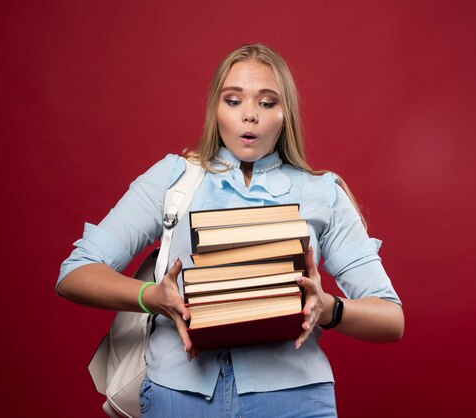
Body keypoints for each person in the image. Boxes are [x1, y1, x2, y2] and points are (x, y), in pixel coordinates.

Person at [57, 43, 404, 417]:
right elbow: (74, 274)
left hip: (295, 400)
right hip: (178, 397)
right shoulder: (173, 179)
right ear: (215, 110)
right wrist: (152, 297)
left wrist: (328, 309)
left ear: (286, 113)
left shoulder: (323, 193)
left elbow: (390, 318)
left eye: (267, 102)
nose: (250, 116)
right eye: (234, 100)